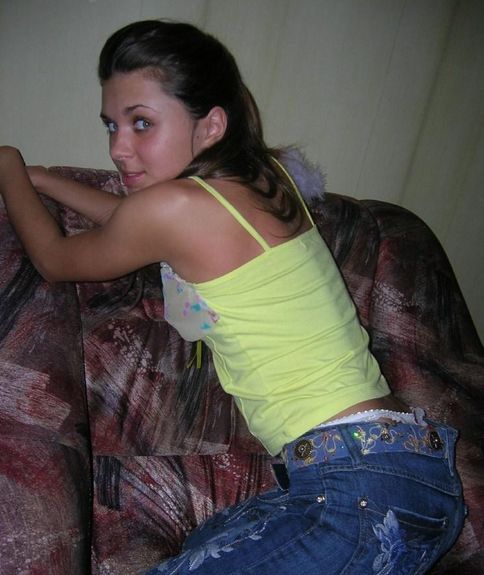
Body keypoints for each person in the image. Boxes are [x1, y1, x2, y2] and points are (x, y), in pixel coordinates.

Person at [0, 19, 465, 574]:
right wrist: (42, 179)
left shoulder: (175, 209)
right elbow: (131, 223)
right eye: (111, 125)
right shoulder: (266, 180)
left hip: (352, 491)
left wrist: (8, 164)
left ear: (213, 124)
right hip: (407, 473)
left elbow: (55, 259)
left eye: (142, 123)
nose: (119, 148)